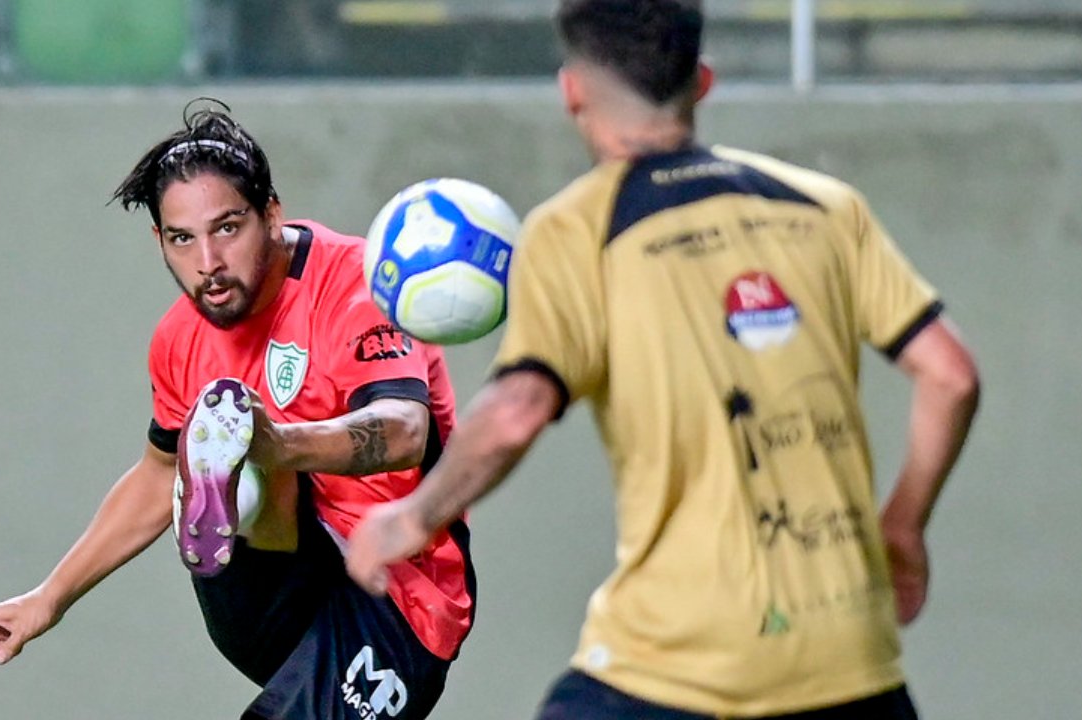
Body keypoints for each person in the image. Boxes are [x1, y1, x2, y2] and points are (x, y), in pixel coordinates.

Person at [345, 1, 981, 718]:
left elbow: (516, 412)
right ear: (703, 81)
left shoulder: (577, 230)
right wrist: (902, 524)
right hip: (852, 655)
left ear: (572, 91)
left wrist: (413, 517)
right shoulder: (826, 207)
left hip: (683, 660)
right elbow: (951, 375)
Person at [0, 101, 476, 720]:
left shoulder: (357, 285)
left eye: (228, 227)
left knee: (249, 445)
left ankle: (251, 473)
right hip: (271, 593)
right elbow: (157, 474)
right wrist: (49, 598)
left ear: (271, 213)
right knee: (209, 448)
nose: (207, 261)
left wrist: (276, 443)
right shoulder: (179, 338)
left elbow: (404, 431)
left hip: (395, 598)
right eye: (183, 238)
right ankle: (244, 493)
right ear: (161, 240)